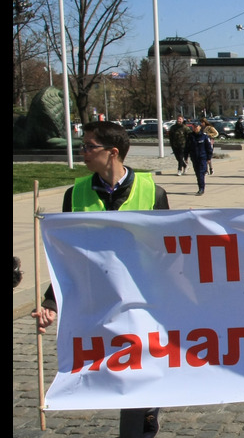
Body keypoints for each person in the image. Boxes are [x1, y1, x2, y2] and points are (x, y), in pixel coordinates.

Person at [32, 120, 169, 438]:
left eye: (89, 146)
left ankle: (141, 424)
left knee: (140, 377)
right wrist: (50, 302)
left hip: (141, 304)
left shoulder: (153, 193)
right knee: (111, 373)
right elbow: (67, 258)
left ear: (113, 152)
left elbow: (165, 255)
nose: (82, 151)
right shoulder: (75, 194)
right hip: (98, 303)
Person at [185, 121, 213, 195]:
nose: (195, 128)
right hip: (194, 158)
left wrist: (209, 158)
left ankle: (201, 189)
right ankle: (200, 187)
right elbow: (187, 147)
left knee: (201, 173)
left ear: (200, 127)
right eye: (194, 127)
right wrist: (186, 157)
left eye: (197, 127)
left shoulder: (204, 136)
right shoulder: (190, 136)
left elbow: (209, 148)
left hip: (202, 158)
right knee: (198, 173)